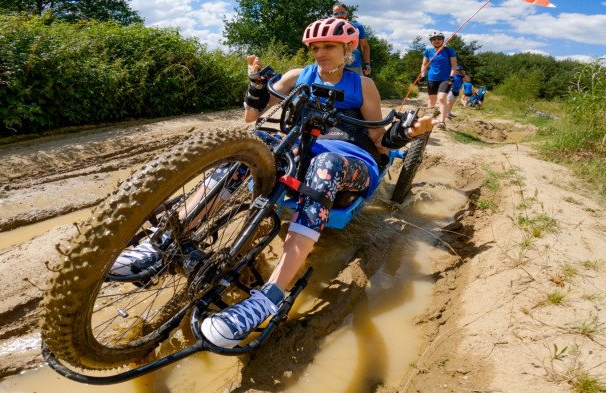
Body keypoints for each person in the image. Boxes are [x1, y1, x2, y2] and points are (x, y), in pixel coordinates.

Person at [112, 17, 437, 349]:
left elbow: (379, 137)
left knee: (326, 166)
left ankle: (270, 295)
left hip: (349, 156)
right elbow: (252, 117)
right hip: (300, 149)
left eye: (329, 47)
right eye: (316, 47)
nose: (321, 53)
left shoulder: (362, 86)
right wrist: (256, 82)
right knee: (256, 145)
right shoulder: (298, 76)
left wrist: (407, 134)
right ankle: (162, 241)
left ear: (348, 49)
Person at [421, 31, 457, 129]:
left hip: (445, 78)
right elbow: (424, 64)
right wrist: (422, 75)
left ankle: (442, 121)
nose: (436, 41)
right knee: (432, 99)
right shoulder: (428, 51)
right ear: (431, 41)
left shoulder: (449, 51)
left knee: (441, 98)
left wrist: (452, 76)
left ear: (443, 40)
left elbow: (454, 65)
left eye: (439, 39)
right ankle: (428, 119)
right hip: (432, 78)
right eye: (434, 39)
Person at [332, 2, 371, 76]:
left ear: (347, 13)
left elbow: (365, 46)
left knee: (359, 87)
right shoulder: (330, 29)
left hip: (354, 67)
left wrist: (367, 64)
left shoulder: (357, 27)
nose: (339, 15)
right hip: (334, 66)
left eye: (342, 12)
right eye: (336, 14)